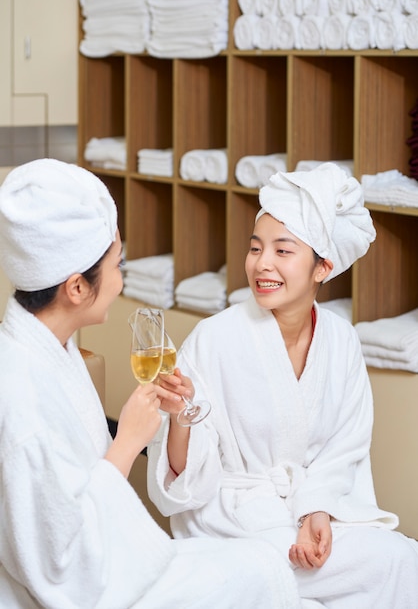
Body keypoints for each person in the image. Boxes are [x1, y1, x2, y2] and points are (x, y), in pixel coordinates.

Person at [0, 158, 302, 609]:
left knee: (258, 559)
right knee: (262, 572)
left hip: (101, 558)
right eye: (117, 265)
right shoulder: (22, 399)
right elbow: (62, 565)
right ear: (77, 288)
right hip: (73, 589)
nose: (122, 282)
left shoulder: (47, 349)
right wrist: (127, 443)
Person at [148, 162, 418, 609]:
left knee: (400, 559)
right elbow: (183, 472)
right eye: (256, 249)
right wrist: (179, 418)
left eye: (283, 250)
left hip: (309, 510)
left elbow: (344, 449)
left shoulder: (342, 340)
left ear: (322, 267)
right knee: (266, 569)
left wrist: (316, 512)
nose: (262, 264)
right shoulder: (215, 337)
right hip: (234, 519)